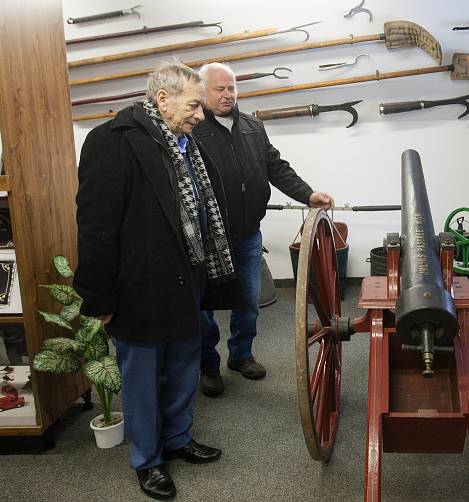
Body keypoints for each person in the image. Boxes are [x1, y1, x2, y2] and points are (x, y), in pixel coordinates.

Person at [75, 60, 238, 500]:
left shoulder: (186, 140)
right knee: (143, 378)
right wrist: (99, 297)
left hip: (187, 278)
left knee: (184, 366)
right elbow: (96, 226)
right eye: (193, 106)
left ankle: (177, 439)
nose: (201, 116)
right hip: (138, 287)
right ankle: (147, 461)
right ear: (161, 99)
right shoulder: (111, 142)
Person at [193, 62, 333, 397]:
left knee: (248, 299)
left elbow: (276, 167)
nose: (228, 94)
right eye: (219, 89)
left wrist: (307, 194)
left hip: (247, 234)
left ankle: (241, 355)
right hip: (207, 237)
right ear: (201, 91)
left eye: (232, 88)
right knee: (203, 306)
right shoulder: (192, 130)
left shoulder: (254, 127)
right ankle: (208, 364)